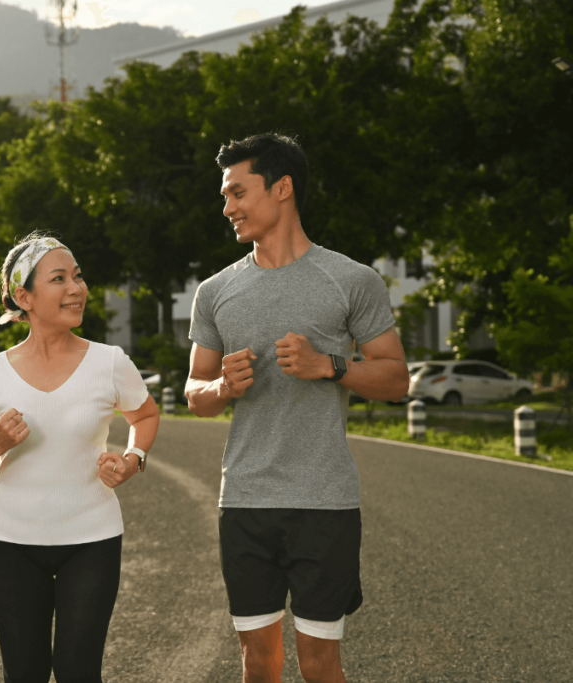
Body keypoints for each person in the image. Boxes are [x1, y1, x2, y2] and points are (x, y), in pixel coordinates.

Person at [185, 134, 409, 683]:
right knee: (257, 663)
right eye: (224, 195)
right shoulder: (215, 292)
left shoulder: (353, 280)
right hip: (245, 501)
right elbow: (194, 391)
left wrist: (331, 366)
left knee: (320, 663)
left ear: (282, 188)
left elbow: (396, 378)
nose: (227, 207)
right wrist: (221, 390)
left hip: (324, 504)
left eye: (238, 192)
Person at [0, 234, 160, 683]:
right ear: (23, 296)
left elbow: (144, 414)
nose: (76, 288)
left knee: (77, 672)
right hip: (13, 543)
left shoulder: (110, 362)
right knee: (23, 674)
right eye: (59, 278)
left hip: (93, 539)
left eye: (79, 276)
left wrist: (132, 458)